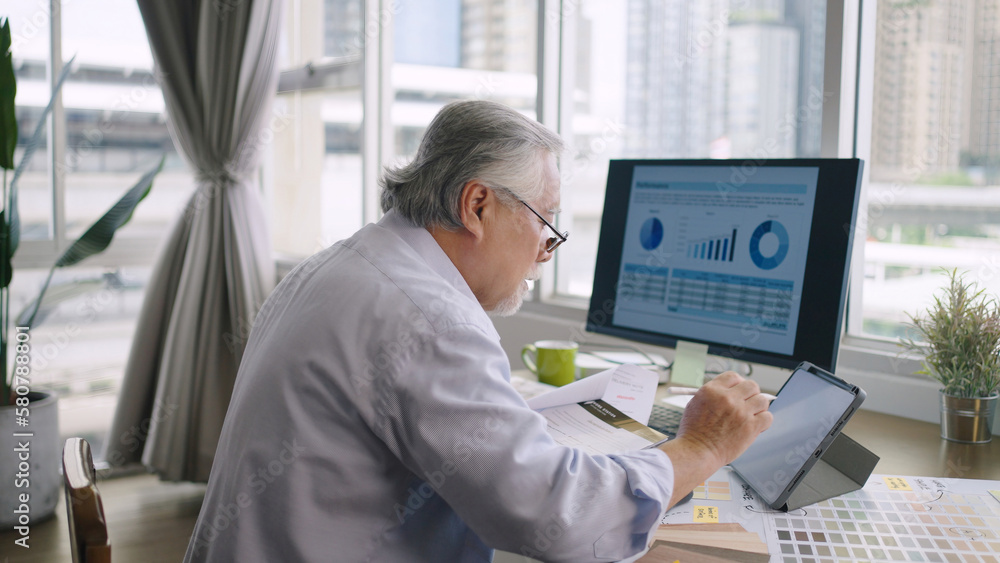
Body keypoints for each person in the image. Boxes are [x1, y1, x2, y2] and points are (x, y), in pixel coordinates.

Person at [183, 100, 773, 562]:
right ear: (478, 205)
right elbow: (554, 518)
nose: (547, 254)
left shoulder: (344, 261)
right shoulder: (429, 318)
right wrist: (702, 448)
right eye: (546, 224)